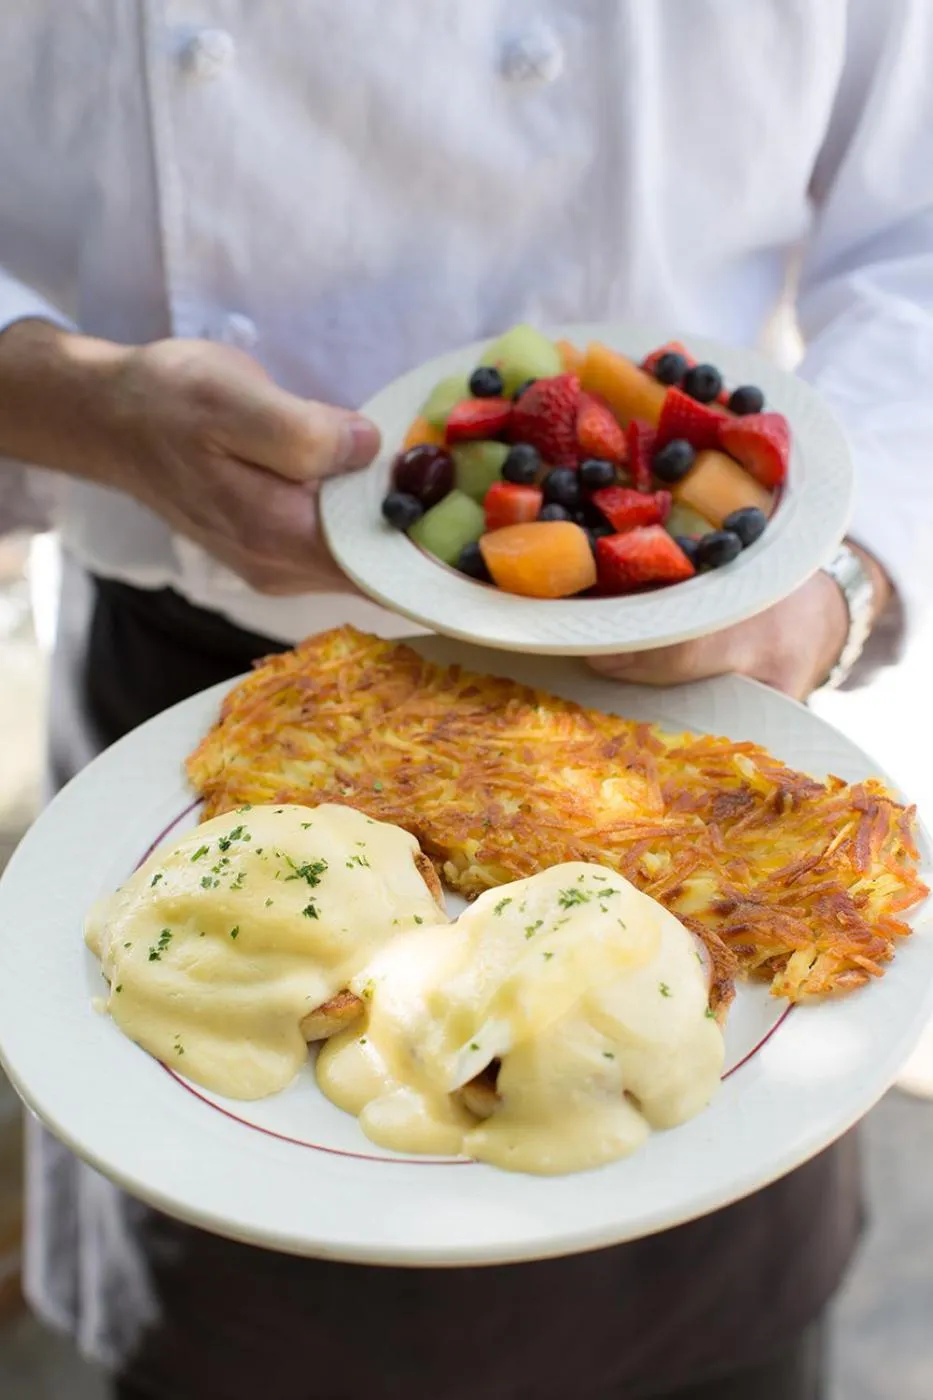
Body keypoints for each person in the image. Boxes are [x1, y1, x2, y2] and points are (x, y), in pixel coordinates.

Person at [1, 4, 932, 1397]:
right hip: (194, 718)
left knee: (695, 1332)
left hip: (700, 695)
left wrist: (839, 584)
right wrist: (61, 399)